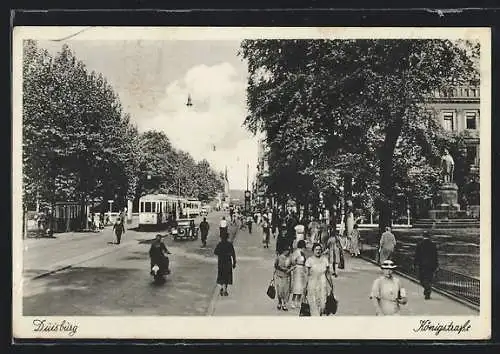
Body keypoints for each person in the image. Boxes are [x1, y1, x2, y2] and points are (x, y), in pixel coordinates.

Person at [305, 243, 334, 316]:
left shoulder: (325, 260)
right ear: (313, 251)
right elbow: (306, 275)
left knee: (322, 305)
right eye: (316, 250)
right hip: (312, 285)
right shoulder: (309, 260)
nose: (318, 251)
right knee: (313, 304)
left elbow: (327, 274)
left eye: (320, 250)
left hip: (322, 284)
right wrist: (304, 287)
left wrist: (331, 285)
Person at [413, 231, 439, 300]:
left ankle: (427, 289)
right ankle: (428, 289)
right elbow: (435, 256)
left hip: (422, 265)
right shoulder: (433, 245)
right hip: (431, 265)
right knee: (429, 278)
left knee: (422, 279)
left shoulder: (419, 244)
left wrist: (415, 263)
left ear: (423, 236)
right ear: (429, 236)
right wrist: (436, 265)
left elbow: (417, 255)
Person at [214, 232, 237, 296]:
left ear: (221, 238)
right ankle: (225, 290)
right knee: (226, 276)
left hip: (221, 262)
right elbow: (233, 254)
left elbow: (215, 252)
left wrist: (220, 253)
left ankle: (222, 288)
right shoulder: (229, 244)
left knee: (221, 275)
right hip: (227, 262)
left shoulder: (219, 244)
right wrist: (234, 262)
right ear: (227, 237)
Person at [274, 246, 293, 311]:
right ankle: (279, 302)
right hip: (279, 276)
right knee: (279, 290)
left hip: (287, 277)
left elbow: (294, 265)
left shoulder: (290, 258)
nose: (288, 251)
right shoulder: (278, 257)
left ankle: (284, 304)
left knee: (286, 291)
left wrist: (291, 269)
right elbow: (276, 266)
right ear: (284, 250)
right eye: (287, 250)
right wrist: (283, 269)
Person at [290, 240, 307, 309]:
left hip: (302, 269)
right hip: (297, 269)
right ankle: (293, 301)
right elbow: (293, 260)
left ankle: (298, 301)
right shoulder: (296, 252)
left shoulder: (303, 253)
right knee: (296, 285)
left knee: (301, 286)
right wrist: (296, 265)